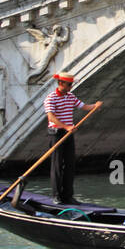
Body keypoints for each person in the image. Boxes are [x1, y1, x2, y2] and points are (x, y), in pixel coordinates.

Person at [43, 72, 103, 204]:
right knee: (57, 166)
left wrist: (95, 106)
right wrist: (66, 127)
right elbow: (51, 117)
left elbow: (84, 106)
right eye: (69, 85)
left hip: (68, 134)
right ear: (61, 84)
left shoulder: (70, 97)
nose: (70, 87)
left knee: (70, 164)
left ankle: (68, 196)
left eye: (71, 85)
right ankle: (56, 196)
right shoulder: (51, 98)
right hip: (56, 133)